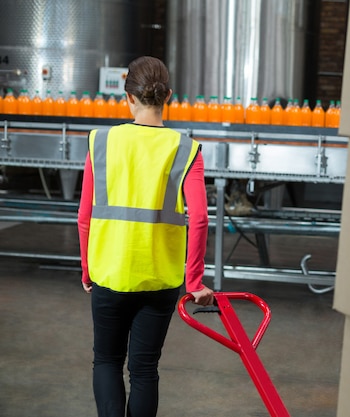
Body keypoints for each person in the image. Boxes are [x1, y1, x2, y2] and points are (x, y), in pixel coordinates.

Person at [77, 56, 214, 417]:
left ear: (128, 98)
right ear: (168, 95)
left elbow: (84, 215)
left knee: (106, 360)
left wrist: (87, 268)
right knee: (144, 370)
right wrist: (194, 280)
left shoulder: (101, 142)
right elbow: (199, 218)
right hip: (160, 279)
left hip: (110, 273)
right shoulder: (185, 148)